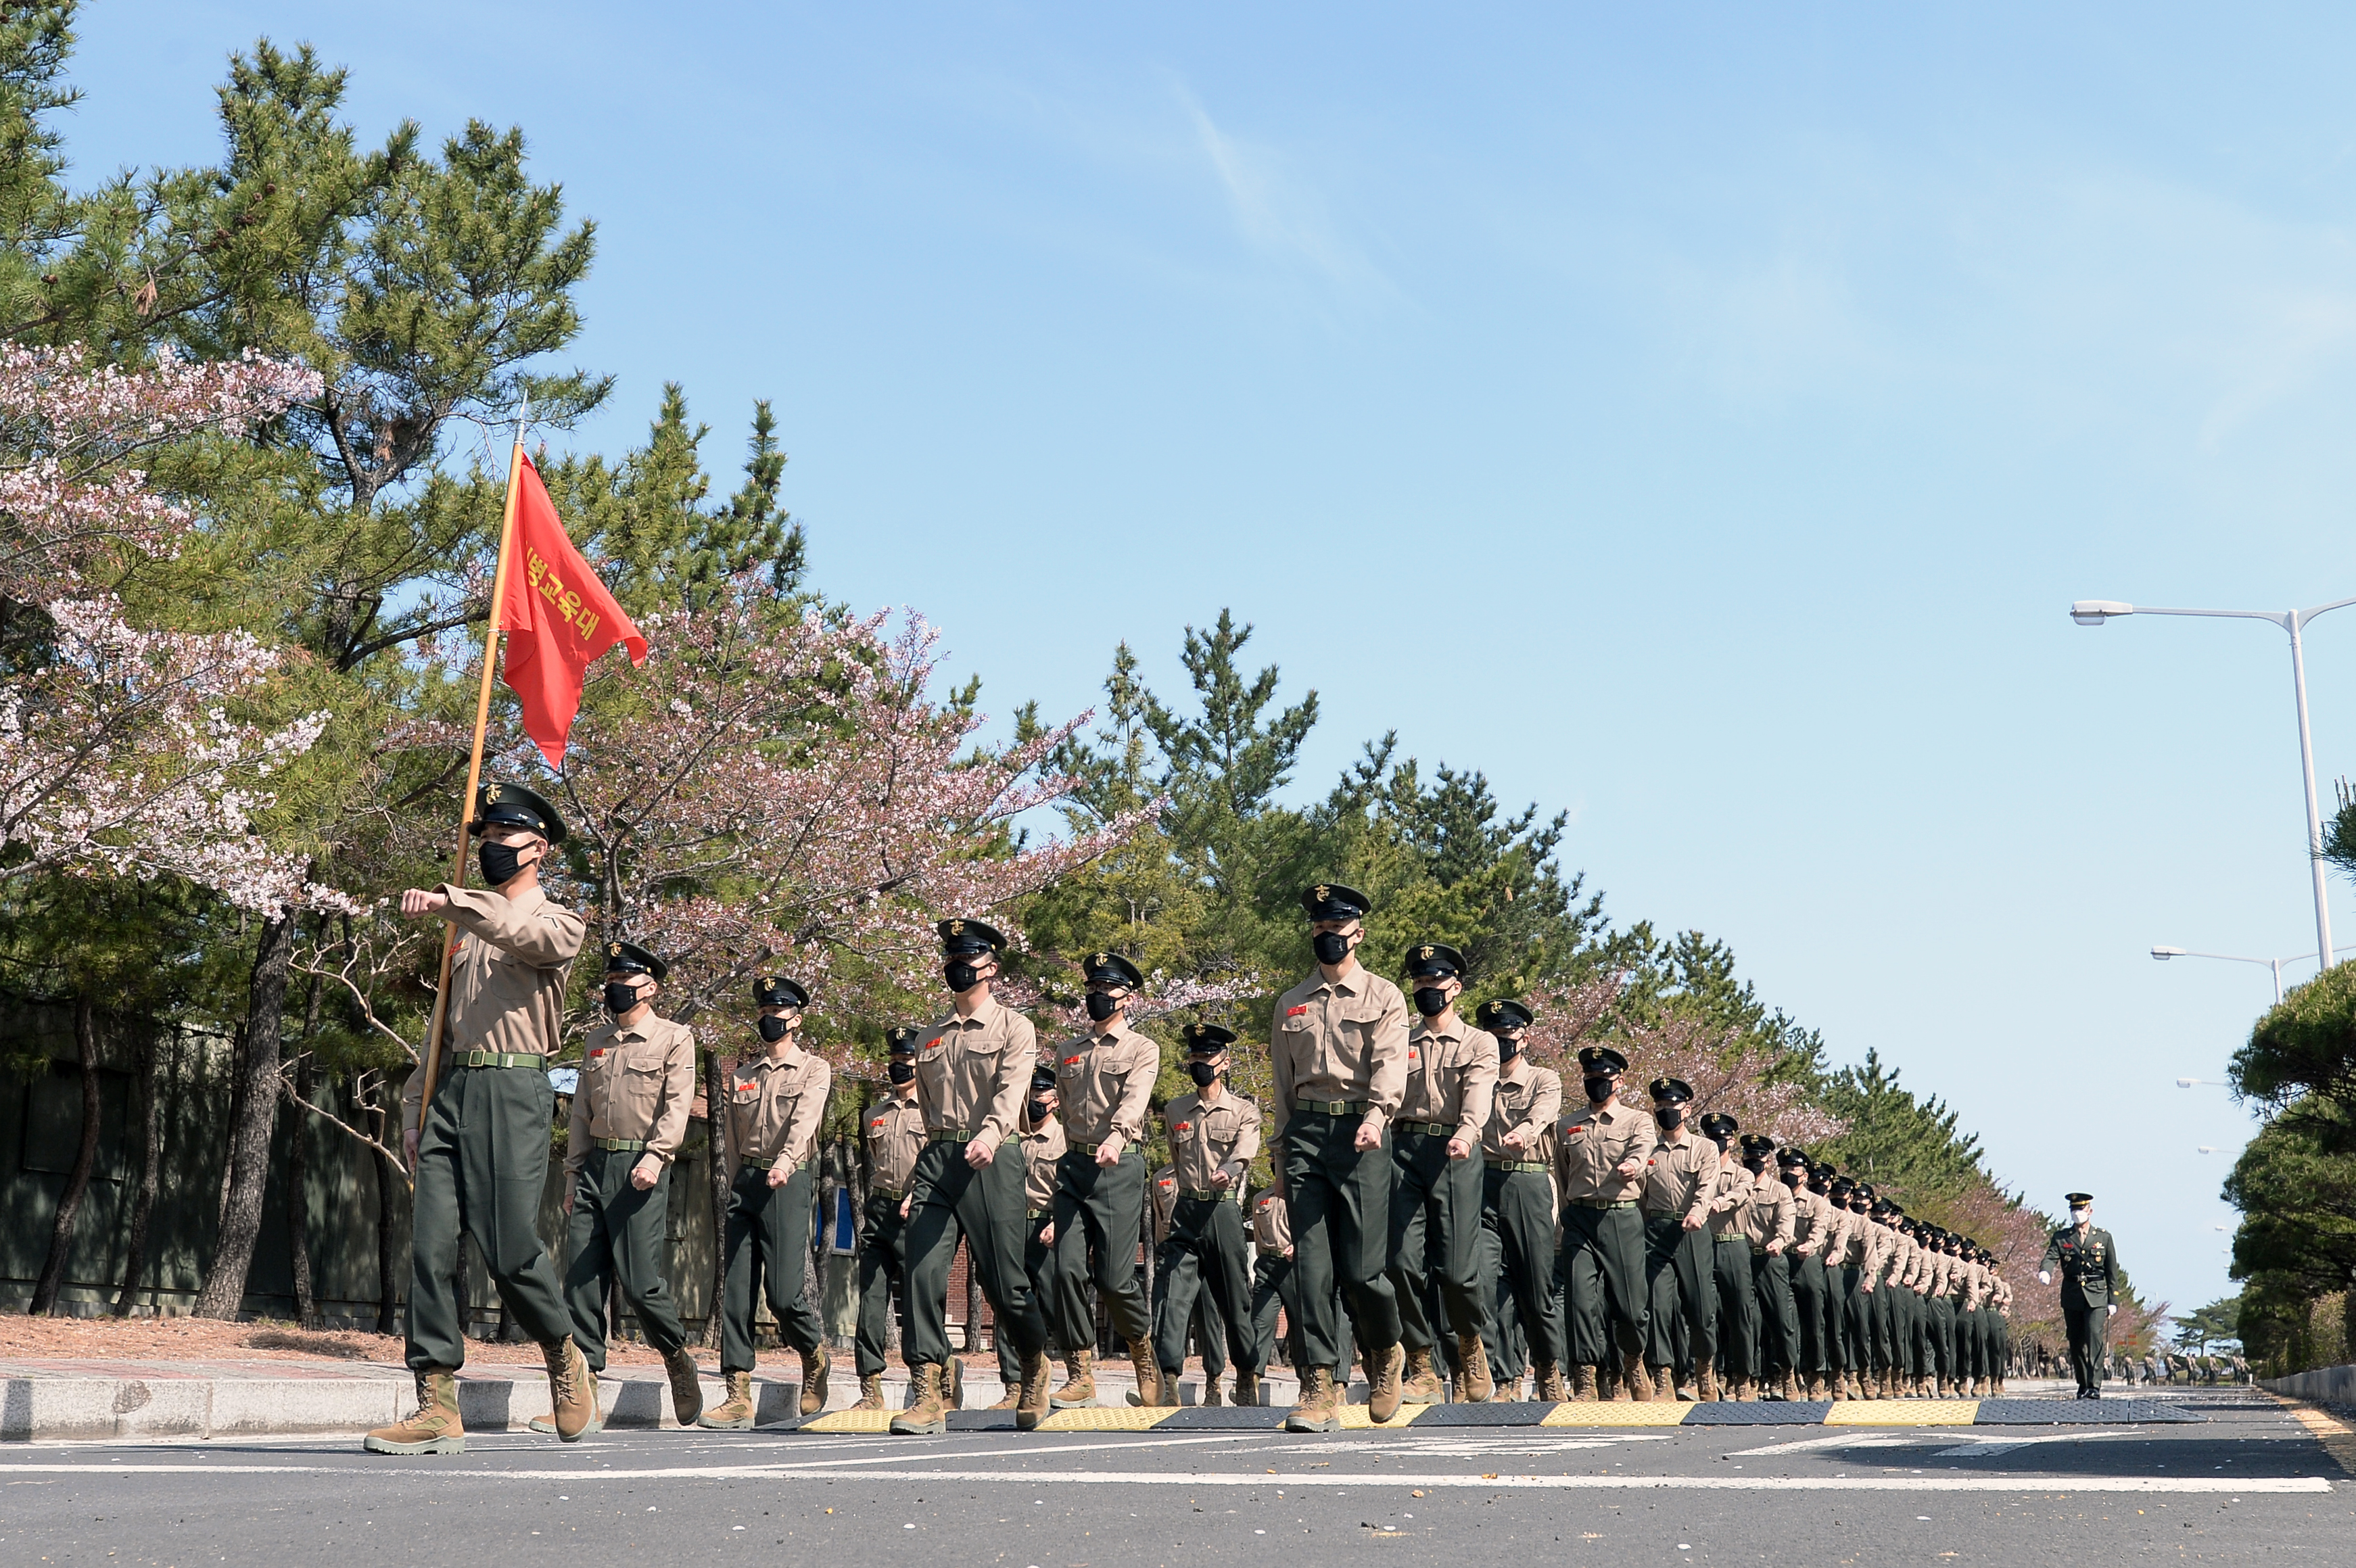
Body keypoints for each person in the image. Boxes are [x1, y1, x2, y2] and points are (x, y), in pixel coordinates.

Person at [368, 781, 592, 1455]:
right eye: (484, 839)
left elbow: (522, 934)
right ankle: (436, 1402)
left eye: (502, 838)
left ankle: (562, 1351)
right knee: (430, 1246)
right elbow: (442, 1030)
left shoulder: (558, 921)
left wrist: (455, 904)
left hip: (514, 1093)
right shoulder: (466, 931)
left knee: (510, 1248)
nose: (490, 849)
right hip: (454, 1092)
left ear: (538, 847)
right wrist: (414, 1108)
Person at [895, 918, 1054, 1435]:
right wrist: (914, 1178)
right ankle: (928, 1387)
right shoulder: (930, 1036)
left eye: (967, 958)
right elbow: (924, 1109)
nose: (957, 966)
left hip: (993, 1156)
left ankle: (1034, 1362)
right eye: (951, 957)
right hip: (939, 1160)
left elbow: (1011, 1092)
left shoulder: (1014, 1027)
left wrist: (989, 1133)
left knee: (1005, 1284)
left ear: (991, 967)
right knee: (920, 1272)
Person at [543, 940, 701, 1433]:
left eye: (624, 982)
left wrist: (656, 1157)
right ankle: (581, 1393)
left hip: (641, 1167)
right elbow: (581, 1114)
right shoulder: (596, 1041)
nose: (615, 990)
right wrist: (572, 1175)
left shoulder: (675, 1038)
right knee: (581, 1280)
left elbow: (677, 1105)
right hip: (595, 1167)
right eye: (610, 983)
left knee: (638, 1282)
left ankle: (676, 1356)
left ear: (650, 987)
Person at [1270, 882, 1411, 1431]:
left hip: (1362, 1132)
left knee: (1361, 1268)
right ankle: (1319, 1383)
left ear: (1358, 932)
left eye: (1337, 927)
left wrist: (1378, 1115)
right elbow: (1283, 1086)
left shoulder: (1385, 996)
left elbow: (1391, 1065)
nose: (1328, 936)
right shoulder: (1291, 1003)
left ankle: (1385, 1349)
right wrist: (1282, 1159)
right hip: (1306, 1134)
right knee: (1311, 1266)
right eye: (1319, 928)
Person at [701, 976, 834, 1429]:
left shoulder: (814, 1069)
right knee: (736, 1289)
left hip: (788, 1179)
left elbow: (805, 1120)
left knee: (782, 1293)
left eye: (778, 1013)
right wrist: (736, 1183)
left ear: (795, 1018)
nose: (769, 1019)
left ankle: (814, 1354)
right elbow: (735, 1140)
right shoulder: (742, 1075)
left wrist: (786, 1161)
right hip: (748, 1181)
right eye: (763, 1012)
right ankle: (737, 1392)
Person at [1384, 944, 1499, 1405]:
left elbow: (1477, 1096)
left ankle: (1469, 1342)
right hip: (1403, 1149)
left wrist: (1467, 1132)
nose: (1427, 990)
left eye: (1435, 982)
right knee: (1400, 1263)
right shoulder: (1400, 1040)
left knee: (1456, 1270)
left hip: (1456, 1149)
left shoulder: (1478, 1042)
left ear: (1455, 987)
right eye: (1420, 982)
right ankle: (1421, 1363)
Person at [1048, 951, 1163, 1408]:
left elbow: (1134, 1100)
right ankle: (1080, 1373)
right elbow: (1061, 1103)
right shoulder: (1068, 1050)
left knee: (1115, 1280)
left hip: (1118, 1167)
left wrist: (1116, 1138)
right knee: (1067, 1269)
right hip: (1074, 1168)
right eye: (1091, 988)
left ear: (1126, 997)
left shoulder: (1142, 1048)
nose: (1096, 996)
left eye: (1106, 989)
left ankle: (1142, 1348)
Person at [1154, 1024, 1266, 1407]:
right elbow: (1174, 1157)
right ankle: (1168, 1381)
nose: (1199, 1064)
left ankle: (1247, 1375)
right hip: (1186, 1208)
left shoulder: (1244, 1111)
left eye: (1207, 1057)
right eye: (1194, 1057)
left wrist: (1231, 1170)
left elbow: (1246, 1147)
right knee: (1172, 1294)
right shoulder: (1175, 1109)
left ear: (1224, 1062)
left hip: (1222, 1211)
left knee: (1235, 1301)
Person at [1555, 1045, 1657, 1401]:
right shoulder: (1567, 1125)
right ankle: (1585, 1375)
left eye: (1604, 1078)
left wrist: (1634, 1164)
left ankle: (1632, 1359)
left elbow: (1644, 1147)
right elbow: (1562, 1174)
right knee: (1580, 1301)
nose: (1597, 1083)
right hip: (1581, 1217)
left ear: (1620, 1081)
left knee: (1629, 1307)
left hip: (1621, 1215)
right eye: (1591, 1078)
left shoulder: (1637, 1120)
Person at [1474, 1000, 1563, 1402]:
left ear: (1524, 1038)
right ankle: (1503, 1377)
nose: (1500, 1044)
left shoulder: (1544, 1078)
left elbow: (1544, 1113)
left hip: (1527, 1183)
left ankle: (1546, 1366)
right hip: (1481, 1183)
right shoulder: (1475, 1077)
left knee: (1535, 1287)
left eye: (1507, 1037)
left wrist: (1524, 1133)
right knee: (1486, 1283)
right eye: (1492, 1037)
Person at [851, 1028, 927, 1410]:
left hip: (915, 1212)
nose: (899, 1067)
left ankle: (930, 1380)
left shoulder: (933, 1111)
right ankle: (870, 1389)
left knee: (918, 1302)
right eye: (894, 1061)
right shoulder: (874, 1115)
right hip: (879, 1211)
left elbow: (936, 1164)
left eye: (907, 1061)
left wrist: (919, 1195)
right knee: (870, 1299)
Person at [1637, 1077, 1718, 1403]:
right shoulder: (1647, 1149)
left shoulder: (1704, 1148)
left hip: (1692, 1231)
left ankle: (1704, 1369)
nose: (1666, 1111)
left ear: (1686, 1108)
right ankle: (1663, 1375)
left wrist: (1698, 1213)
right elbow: (1640, 1194)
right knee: (1656, 1305)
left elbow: (1707, 1185)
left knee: (1699, 1308)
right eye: (1660, 1106)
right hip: (1656, 1232)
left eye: (1672, 1105)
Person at [995, 1066, 1068, 1410]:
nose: (1034, 1101)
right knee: (1008, 1305)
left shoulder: (1065, 1139)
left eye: (1040, 1094)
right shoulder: (1012, 1138)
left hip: (1046, 1227)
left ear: (1054, 1100)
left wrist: (1060, 1222)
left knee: (1057, 1304)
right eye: (1030, 1094)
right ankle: (1014, 1386)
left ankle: (1077, 1376)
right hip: (1011, 1227)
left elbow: (1071, 1190)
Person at [2039, 1191, 2125, 1399]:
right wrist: (2045, 1270)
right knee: (2076, 1341)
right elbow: (2051, 1256)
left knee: (2094, 1337)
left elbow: (2112, 1270)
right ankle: (2083, 1382)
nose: (2078, 1213)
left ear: (2090, 1211)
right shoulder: (2062, 1237)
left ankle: (2094, 1385)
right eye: (2074, 1210)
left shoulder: (2104, 1237)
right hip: (2072, 1294)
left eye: (2081, 1209)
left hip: (2096, 1294)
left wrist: (2113, 1300)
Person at [1734, 1137, 1797, 1400]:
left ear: (1767, 1161)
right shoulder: (1735, 1186)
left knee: (1781, 1321)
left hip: (1771, 1260)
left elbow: (1787, 1225)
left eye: (1758, 1157)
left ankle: (1787, 1373)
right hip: (1741, 1258)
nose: (1753, 1161)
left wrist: (1779, 1241)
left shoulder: (1780, 1192)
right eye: (1748, 1156)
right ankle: (1745, 1378)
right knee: (1744, 1321)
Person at [1695, 1111, 1752, 1401]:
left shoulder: (1743, 1173)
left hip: (1732, 1246)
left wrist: (1718, 1201)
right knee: (1704, 1313)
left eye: (1721, 1138)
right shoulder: (1697, 1167)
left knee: (1739, 1315)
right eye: (1711, 1137)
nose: (1717, 1142)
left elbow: (1740, 1193)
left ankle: (1741, 1378)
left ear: (1731, 1141)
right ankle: (1706, 1375)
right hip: (1702, 1243)